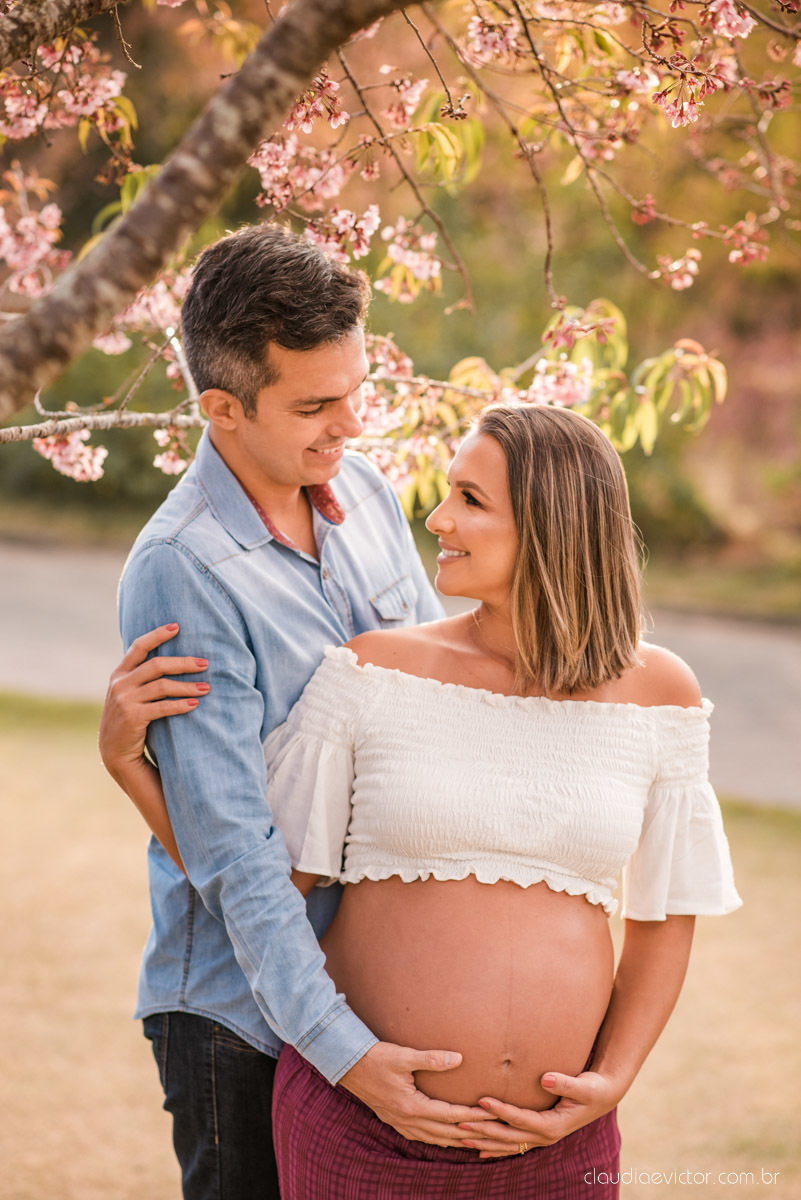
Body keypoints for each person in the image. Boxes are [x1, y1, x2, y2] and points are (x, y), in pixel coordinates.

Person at [102, 402, 742, 1197]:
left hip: (555, 1144)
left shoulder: (662, 694)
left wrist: (612, 1080)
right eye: (447, 492)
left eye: (471, 501)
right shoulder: (375, 671)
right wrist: (133, 771)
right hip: (361, 1121)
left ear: (555, 525)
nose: (437, 518)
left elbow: (662, 918)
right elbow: (264, 881)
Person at [104, 222, 507, 1200]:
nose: (351, 424)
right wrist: (342, 1049)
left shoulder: (360, 490)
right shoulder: (184, 570)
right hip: (239, 1019)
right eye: (315, 405)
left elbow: (431, 699)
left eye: (356, 390)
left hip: (368, 990)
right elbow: (240, 853)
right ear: (222, 408)